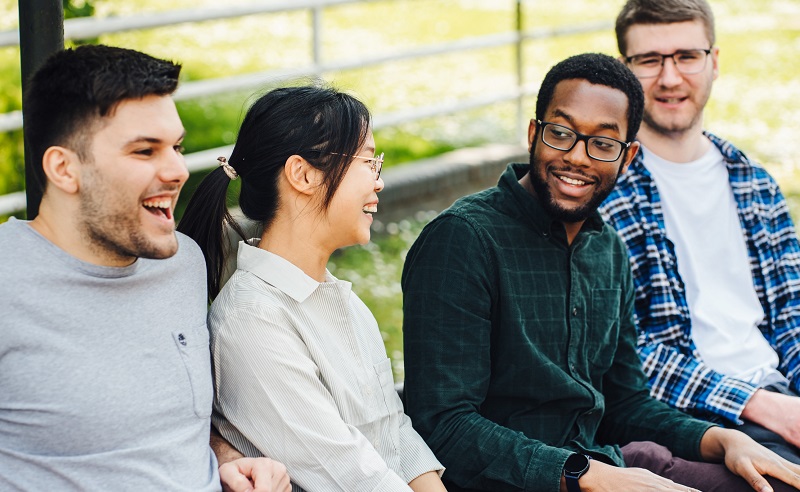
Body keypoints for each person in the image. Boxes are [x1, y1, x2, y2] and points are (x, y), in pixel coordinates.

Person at [401, 52, 800, 492]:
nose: (577, 157)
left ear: (627, 157)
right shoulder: (463, 240)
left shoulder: (607, 249)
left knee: (774, 482)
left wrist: (721, 439)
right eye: (561, 133)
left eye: (603, 143)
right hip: (521, 482)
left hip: (605, 465)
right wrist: (587, 476)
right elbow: (444, 426)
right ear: (534, 133)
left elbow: (624, 403)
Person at [0, 44, 289, 492]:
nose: (177, 170)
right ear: (64, 168)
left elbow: (159, 432)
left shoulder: (183, 263)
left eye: (175, 147)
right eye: (144, 151)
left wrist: (226, 459)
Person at [177, 85, 446, 491]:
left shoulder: (345, 301)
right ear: (302, 174)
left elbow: (395, 437)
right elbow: (351, 476)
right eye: (368, 161)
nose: (379, 182)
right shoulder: (252, 322)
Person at [598, 0, 800, 464]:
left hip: (780, 395)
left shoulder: (754, 182)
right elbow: (617, 355)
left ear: (714, 62)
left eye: (687, 56)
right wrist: (762, 405)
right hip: (694, 417)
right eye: (649, 60)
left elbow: (792, 318)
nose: (670, 79)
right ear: (624, 72)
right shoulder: (605, 194)